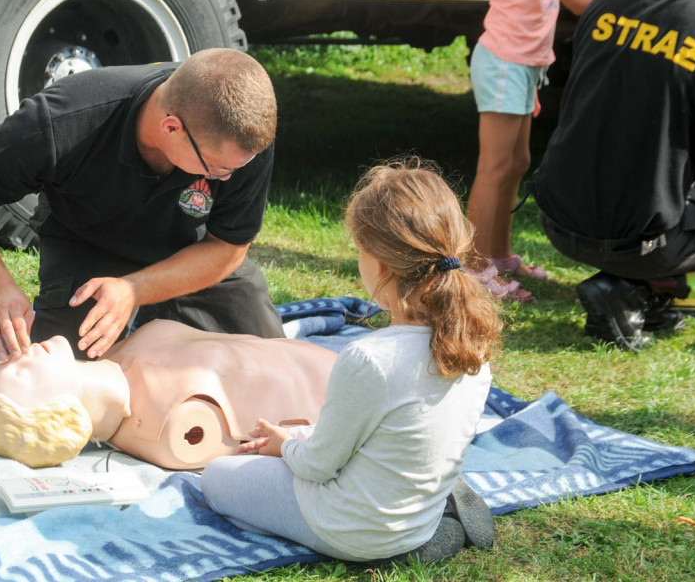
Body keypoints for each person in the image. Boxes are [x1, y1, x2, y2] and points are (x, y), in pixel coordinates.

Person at [199, 159, 502, 563]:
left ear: (378, 263)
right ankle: (434, 517)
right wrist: (297, 437)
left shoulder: (371, 359)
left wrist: (285, 447)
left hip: (351, 529)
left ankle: (401, 546)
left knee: (218, 476)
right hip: (415, 513)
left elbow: (318, 467)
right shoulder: (473, 347)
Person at [0, 48, 284, 362]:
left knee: (270, 366)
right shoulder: (62, 119)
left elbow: (227, 248)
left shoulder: (239, 141)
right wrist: (0, 291)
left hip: (190, 255)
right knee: (64, 375)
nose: (226, 177)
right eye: (216, 169)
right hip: (90, 246)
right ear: (171, 128)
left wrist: (135, 290)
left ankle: (161, 321)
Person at [466, 0, 667, 302]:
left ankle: (500, 256)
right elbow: (578, 1)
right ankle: (473, 270)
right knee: (495, 167)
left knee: (517, 162)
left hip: (522, 62)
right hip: (504, 62)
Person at [533, 0, 695, 350]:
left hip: (559, 219)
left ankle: (647, 294)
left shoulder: (606, 4)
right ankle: (632, 286)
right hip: (637, 238)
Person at [0, 319, 339, 470]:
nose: (17, 355)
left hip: (337, 367)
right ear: (52, 410)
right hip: (343, 392)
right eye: (17, 373)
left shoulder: (115, 356)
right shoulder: (174, 428)